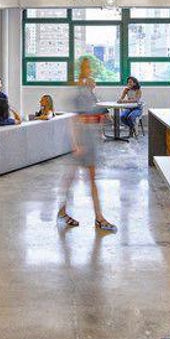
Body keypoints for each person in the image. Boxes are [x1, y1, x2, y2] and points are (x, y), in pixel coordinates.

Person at [57, 57, 117, 233]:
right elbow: (75, 119)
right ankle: (98, 217)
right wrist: (76, 143)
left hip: (89, 138)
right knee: (78, 177)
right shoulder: (78, 91)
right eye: (86, 66)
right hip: (82, 139)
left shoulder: (88, 90)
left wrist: (99, 126)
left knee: (80, 177)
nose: (89, 69)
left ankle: (67, 212)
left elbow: (93, 113)